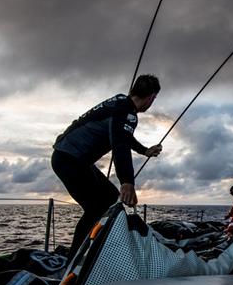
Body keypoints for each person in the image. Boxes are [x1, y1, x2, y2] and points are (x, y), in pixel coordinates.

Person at [51, 74, 162, 260]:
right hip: (69, 160)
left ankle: (99, 251)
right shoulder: (127, 113)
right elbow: (120, 144)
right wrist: (127, 181)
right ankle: (75, 261)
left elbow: (120, 134)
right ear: (151, 97)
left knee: (111, 200)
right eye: (154, 99)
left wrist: (144, 151)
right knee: (96, 208)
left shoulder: (120, 102)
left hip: (71, 157)